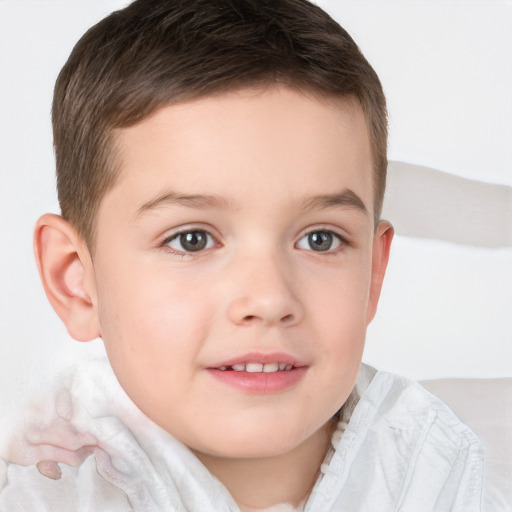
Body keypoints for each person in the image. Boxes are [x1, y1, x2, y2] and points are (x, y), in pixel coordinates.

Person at [0, 0, 488, 510]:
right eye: (192, 239)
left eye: (320, 239)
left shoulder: (435, 468)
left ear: (372, 273)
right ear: (75, 279)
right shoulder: (39, 482)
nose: (269, 298)